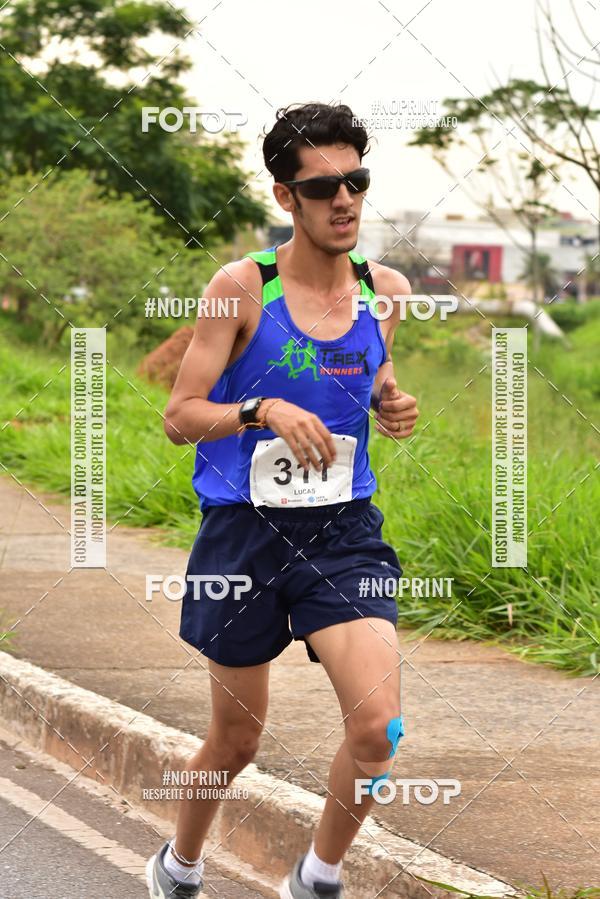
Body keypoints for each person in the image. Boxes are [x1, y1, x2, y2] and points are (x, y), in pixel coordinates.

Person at [146, 101, 419, 899]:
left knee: (379, 726)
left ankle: (317, 876)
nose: (345, 200)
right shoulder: (240, 288)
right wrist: (260, 409)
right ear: (285, 196)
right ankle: (179, 864)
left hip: (343, 531)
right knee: (236, 740)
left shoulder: (385, 291)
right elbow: (179, 417)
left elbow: (371, 380)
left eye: (356, 182)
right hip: (243, 535)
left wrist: (390, 403)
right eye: (323, 186)